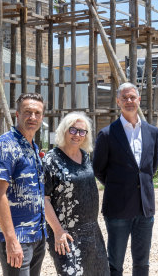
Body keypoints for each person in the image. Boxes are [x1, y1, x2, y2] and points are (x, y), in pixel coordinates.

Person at [93, 82, 158, 276]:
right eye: (125, 98)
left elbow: (150, 167)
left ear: (139, 100)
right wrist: (120, 186)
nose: (129, 101)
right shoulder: (107, 134)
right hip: (117, 208)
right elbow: (98, 169)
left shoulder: (152, 132)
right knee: (115, 263)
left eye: (132, 97)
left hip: (145, 208)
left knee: (142, 262)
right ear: (118, 101)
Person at [43, 112, 109, 276]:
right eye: (73, 130)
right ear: (64, 130)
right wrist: (58, 231)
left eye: (82, 131)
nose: (77, 135)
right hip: (66, 234)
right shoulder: (52, 159)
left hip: (92, 231)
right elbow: (43, 199)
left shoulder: (85, 156)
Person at [0, 92, 46, 276]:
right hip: (18, 237)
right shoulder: (6, 146)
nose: (32, 117)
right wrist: (11, 240)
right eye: (27, 112)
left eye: (37, 113)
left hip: (37, 235)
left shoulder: (32, 147)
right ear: (17, 115)